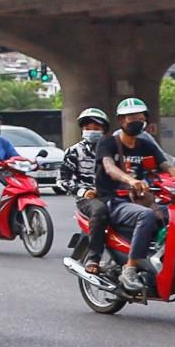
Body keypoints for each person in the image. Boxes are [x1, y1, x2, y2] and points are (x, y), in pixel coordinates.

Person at [97, 97, 171, 288]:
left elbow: (167, 168)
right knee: (146, 216)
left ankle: (160, 257)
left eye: (140, 117)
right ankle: (129, 269)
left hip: (140, 199)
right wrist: (130, 180)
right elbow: (109, 168)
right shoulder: (108, 143)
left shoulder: (146, 145)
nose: (136, 121)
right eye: (131, 117)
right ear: (122, 121)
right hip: (114, 200)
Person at [63, 107, 111, 266]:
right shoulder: (74, 151)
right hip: (88, 199)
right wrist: (84, 191)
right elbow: (63, 180)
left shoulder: (114, 149)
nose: (91, 131)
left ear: (104, 130)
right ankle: (94, 257)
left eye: (96, 129)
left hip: (113, 193)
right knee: (100, 210)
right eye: (88, 128)